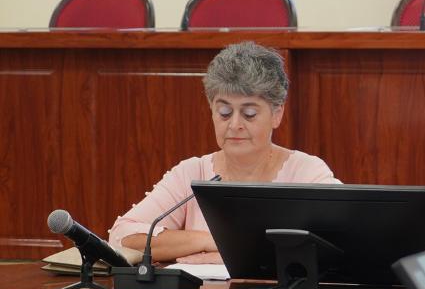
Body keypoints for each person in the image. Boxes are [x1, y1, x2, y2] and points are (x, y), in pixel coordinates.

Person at [109, 41, 339, 263]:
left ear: (277, 114)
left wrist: (234, 250)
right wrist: (212, 241)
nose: (235, 124)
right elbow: (122, 238)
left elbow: (340, 243)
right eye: (224, 112)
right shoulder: (192, 173)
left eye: (249, 114)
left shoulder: (306, 172)